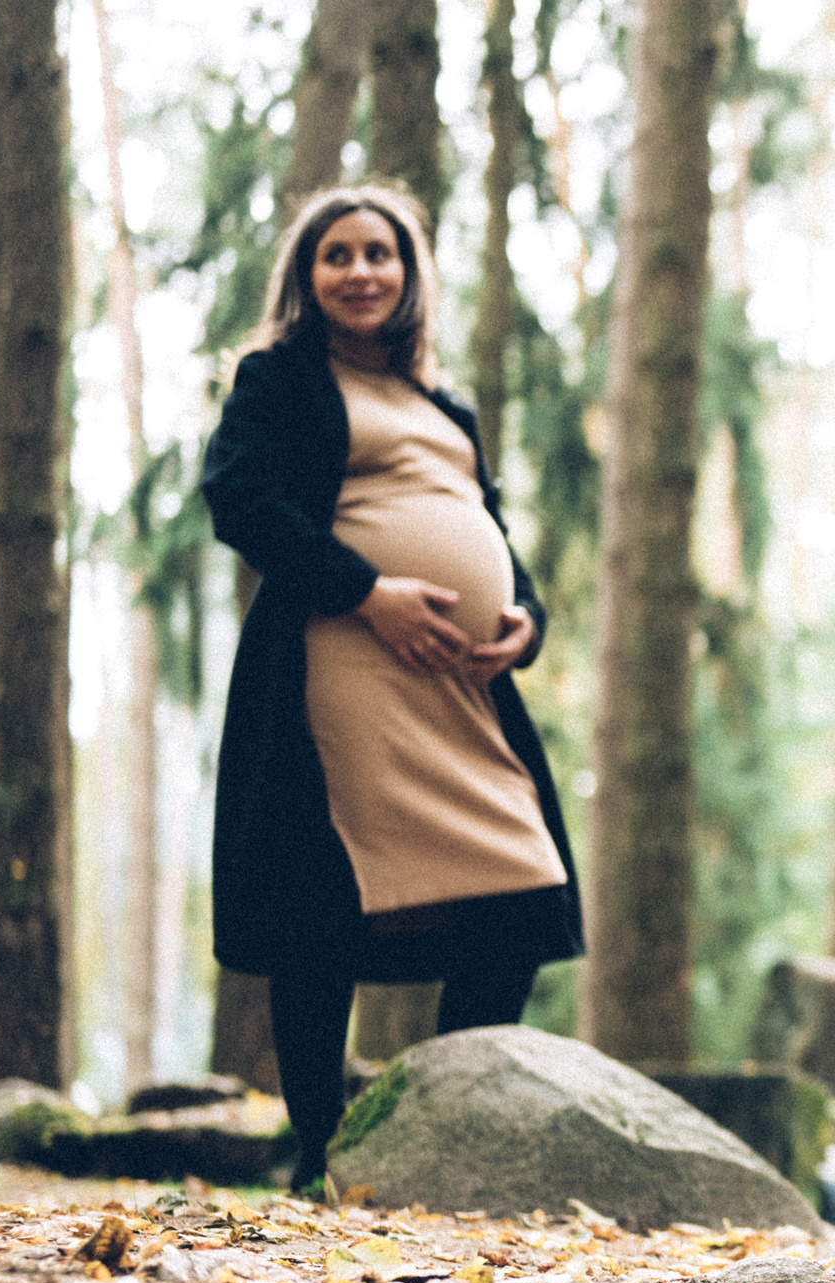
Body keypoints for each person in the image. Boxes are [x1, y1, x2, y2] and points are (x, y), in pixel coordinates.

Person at [202, 183, 582, 1191]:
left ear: (409, 275)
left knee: (524, 885)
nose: (361, 270)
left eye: (381, 253)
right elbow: (237, 497)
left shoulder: (443, 402)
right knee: (324, 898)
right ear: (308, 275)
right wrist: (366, 591)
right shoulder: (277, 378)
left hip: (458, 682)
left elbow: (488, 522)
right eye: (338, 254)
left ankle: (439, 1136)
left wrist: (526, 617)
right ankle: (324, 1157)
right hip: (342, 659)